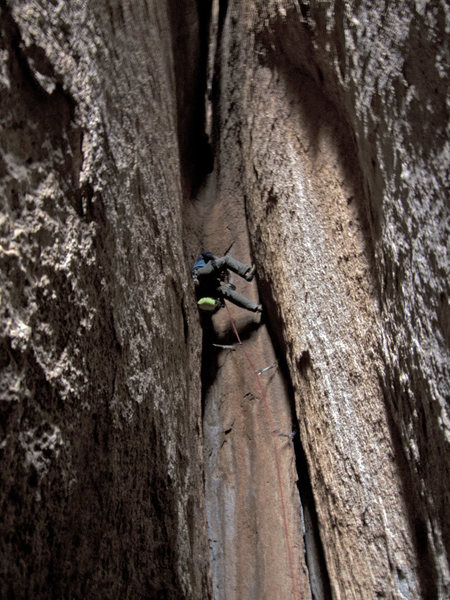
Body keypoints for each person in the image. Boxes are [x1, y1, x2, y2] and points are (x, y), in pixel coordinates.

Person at [192, 252, 263, 313]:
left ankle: (255, 307)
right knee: (226, 259)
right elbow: (209, 255)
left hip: (204, 284)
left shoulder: (214, 277)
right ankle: (247, 273)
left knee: (227, 291)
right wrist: (219, 261)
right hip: (200, 273)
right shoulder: (203, 257)